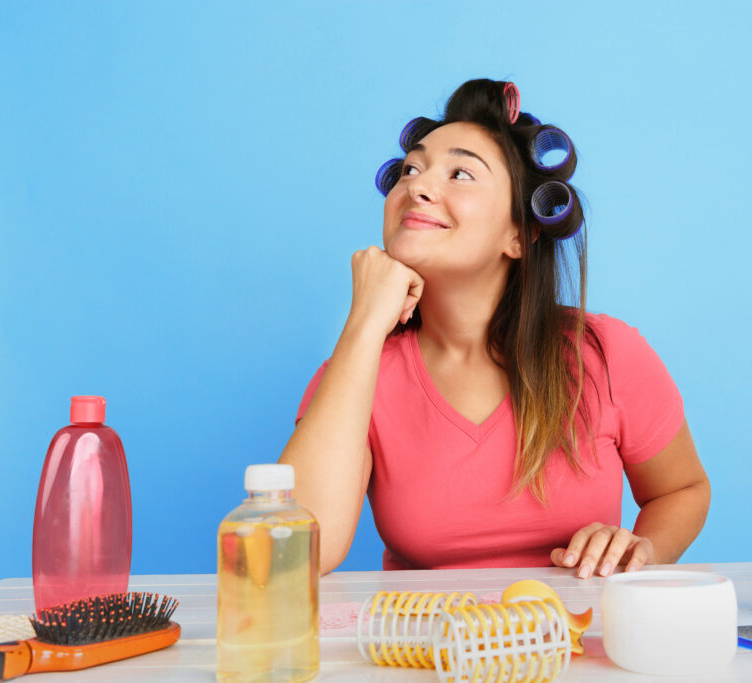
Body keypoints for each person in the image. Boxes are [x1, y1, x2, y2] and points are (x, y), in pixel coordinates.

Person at [279, 78, 710, 578]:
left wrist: (642, 549)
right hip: (421, 651)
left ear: (520, 235)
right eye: (409, 169)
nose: (416, 186)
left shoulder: (606, 353)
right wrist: (363, 325)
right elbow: (298, 559)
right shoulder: (355, 374)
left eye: (460, 173)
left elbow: (683, 490)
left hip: (578, 645)